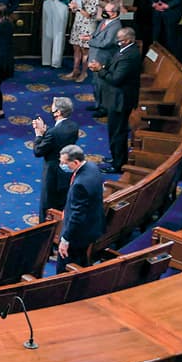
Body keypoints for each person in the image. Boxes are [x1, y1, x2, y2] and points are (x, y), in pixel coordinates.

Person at [93, 27, 142, 173]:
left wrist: (99, 71)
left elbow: (116, 79)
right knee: (115, 131)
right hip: (117, 98)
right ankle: (117, 157)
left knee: (117, 132)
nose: (117, 42)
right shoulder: (125, 50)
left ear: (127, 40)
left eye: (119, 40)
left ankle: (118, 164)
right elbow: (114, 67)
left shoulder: (129, 55)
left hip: (120, 101)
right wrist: (102, 66)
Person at [56, 144, 103, 273]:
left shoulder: (80, 184)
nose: (61, 165)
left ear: (76, 162)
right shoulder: (92, 167)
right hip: (92, 225)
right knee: (81, 259)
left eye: (64, 163)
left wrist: (66, 239)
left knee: (65, 266)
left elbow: (77, 215)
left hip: (78, 234)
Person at [32, 97, 80, 220]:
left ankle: (43, 231)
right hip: (67, 171)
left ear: (58, 112)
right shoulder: (73, 126)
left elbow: (38, 151)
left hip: (52, 174)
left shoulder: (53, 133)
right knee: (61, 203)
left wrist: (39, 134)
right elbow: (58, 138)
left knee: (47, 205)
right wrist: (46, 132)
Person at [84, 2, 123, 115]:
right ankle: (97, 104)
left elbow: (106, 43)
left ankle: (104, 108)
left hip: (104, 58)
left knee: (103, 84)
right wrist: (90, 37)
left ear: (115, 13)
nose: (104, 12)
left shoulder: (116, 26)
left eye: (107, 11)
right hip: (95, 55)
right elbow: (96, 35)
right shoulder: (103, 21)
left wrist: (90, 41)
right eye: (104, 10)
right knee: (96, 82)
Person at [39, 0, 74, 69]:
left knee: (59, 32)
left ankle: (56, 62)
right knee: (47, 31)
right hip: (48, 2)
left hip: (61, 3)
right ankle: (46, 60)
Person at [66, 0, 100, 82]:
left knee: (84, 51)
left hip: (88, 26)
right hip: (78, 24)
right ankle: (75, 70)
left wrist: (79, 8)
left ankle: (84, 73)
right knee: (76, 48)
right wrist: (72, 7)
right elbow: (74, 10)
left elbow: (89, 15)